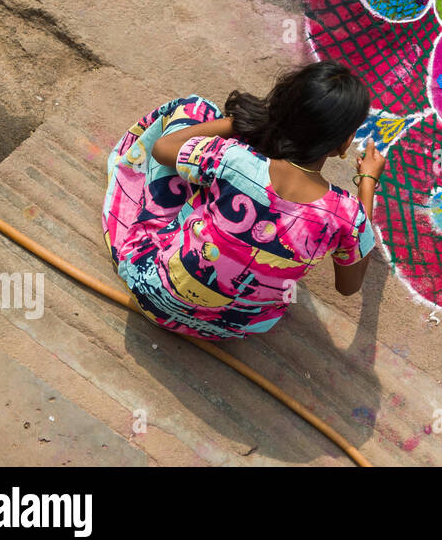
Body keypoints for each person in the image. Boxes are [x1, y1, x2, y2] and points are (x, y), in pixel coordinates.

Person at [102, 62, 386, 340]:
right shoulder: (347, 215)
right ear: (343, 144)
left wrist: (244, 123)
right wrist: (367, 183)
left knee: (195, 109)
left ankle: (131, 199)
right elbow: (349, 286)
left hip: (150, 286)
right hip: (227, 327)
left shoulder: (232, 156)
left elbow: (163, 149)